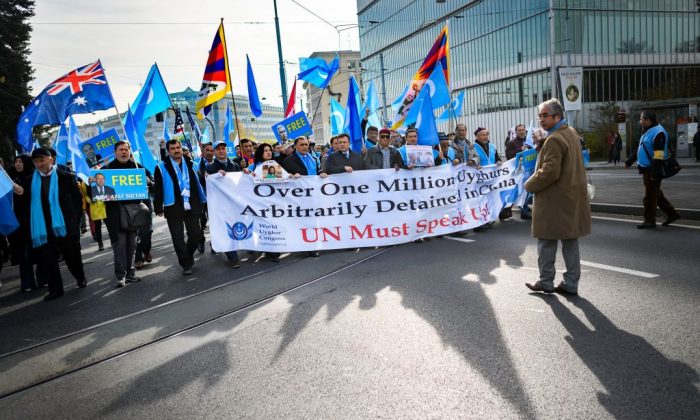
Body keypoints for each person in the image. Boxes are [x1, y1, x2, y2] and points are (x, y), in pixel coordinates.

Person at [524, 98, 591, 296]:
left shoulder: (554, 139)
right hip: (570, 196)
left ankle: (546, 281)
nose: (541, 119)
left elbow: (549, 172)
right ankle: (570, 283)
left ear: (557, 116)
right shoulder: (570, 133)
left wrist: (529, 185)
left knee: (546, 241)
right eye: (540, 116)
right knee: (570, 241)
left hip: (554, 199)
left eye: (545, 116)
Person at [14, 148, 86, 300]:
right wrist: (20, 194)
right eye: (36, 161)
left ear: (51, 160)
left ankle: (80, 277)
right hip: (43, 227)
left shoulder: (66, 177)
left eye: (42, 160)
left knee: (72, 256)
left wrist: (74, 223)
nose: (39, 164)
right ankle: (55, 289)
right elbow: (25, 205)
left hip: (64, 225)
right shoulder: (29, 181)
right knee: (48, 259)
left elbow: (77, 203)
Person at [95, 141, 148, 287]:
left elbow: (150, 181)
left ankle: (130, 273)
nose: (124, 152)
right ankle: (120, 276)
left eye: (126, 149)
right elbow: (95, 189)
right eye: (121, 150)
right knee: (119, 245)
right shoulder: (106, 170)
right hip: (114, 214)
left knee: (132, 245)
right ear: (115, 152)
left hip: (134, 213)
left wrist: (148, 182)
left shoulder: (137, 167)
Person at [154, 139, 207, 275]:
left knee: (196, 234)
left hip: (192, 203)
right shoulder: (161, 167)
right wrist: (158, 206)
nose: (176, 150)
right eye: (173, 148)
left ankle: (187, 255)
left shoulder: (192, 164)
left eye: (178, 147)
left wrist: (203, 201)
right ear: (168, 151)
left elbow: (200, 183)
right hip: (173, 205)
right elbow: (158, 188)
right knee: (177, 237)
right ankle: (185, 264)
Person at [624, 110, 681, 229]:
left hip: (653, 169)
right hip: (647, 169)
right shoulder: (648, 131)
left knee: (649, 196)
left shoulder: (658, 133)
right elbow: (640, 148)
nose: (640, 121)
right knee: (656, 194)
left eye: (641, 119)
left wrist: (655, 173)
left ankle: (649, 220)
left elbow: (659, 156)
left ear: (648, 120)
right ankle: (673, 214)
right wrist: (629, 161)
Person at [205, 140, 242, 268]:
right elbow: (207, 185)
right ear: (214, 152)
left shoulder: (235, 165)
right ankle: (233, 256)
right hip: (219, 205)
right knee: (225, 228)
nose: (221, 151)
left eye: (223, 148)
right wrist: (213, 176)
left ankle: (217, 244)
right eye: (218, 149)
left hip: (233, 203)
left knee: (235, 226)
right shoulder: (210, 168)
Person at [505, 124, 533, 219]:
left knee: (526, 191)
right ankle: (522, 211)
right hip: (518, 172)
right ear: (516, 132)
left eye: (523, 130)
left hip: (528, 170)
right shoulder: (511, 143)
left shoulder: (529, 142)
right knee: (519, 191)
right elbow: (509, 157)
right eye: (519, 130)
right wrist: (520, 150)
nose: (522, 132)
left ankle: (523, 208)